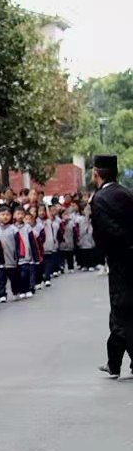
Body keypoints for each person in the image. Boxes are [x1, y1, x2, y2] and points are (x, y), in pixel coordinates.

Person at [89, 154, 133, 378]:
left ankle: (115, 363)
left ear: (95, 173)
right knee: (122, 312)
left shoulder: (99, 199)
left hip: (120, 262)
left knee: (121, 313)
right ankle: (114, 363)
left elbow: (108, 233)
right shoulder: (126, 193)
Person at [0, 205, 23, 302]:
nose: (5, 217)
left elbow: (19, 244)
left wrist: (19, 255)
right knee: (0, 279)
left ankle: (15, 292)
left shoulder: (14, 230)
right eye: (2, 214)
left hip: (12, 259)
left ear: (11, 216)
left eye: (7, 214)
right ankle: (2, 294)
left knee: (14, 278)